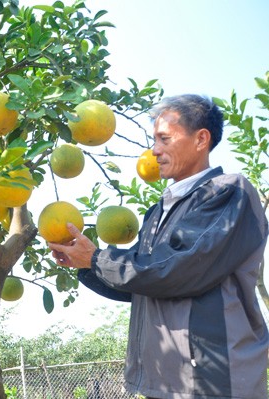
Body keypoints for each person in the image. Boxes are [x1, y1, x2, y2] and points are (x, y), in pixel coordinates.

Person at [49, 94, 269, 399]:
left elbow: (177, 269)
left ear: (201, 139)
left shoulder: (228, 192)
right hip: (163, 381)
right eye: (154, 140)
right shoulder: (158, 211)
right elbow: (144, 283)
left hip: (212, 380)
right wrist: (86, 264)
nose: (155, 150)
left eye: (164, 138)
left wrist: (98, 259)